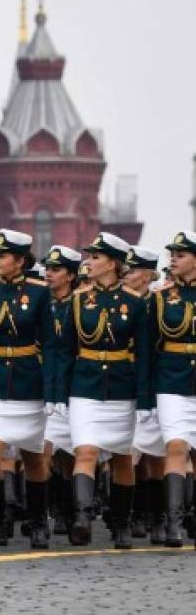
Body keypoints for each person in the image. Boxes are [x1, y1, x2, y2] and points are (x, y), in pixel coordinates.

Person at [55, 232, 150, 549]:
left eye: (96, 257)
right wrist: (59, 395)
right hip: (85, 386)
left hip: (122, 388)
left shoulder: (135, 304)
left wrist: (146, 400)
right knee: (85, 451)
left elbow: (147, 354)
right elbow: (66, 350)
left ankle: (121, 524)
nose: (88, 262)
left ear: (113, 263)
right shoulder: (78, 301)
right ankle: (82, 518)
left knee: (122, 458)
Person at [0, 229, 56, 549]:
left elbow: (51, 345)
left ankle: (38, 519)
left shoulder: (40, 293)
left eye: (2, 255)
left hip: (28, 383)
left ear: (20, 261)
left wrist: (52, 393)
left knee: (32, 458)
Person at [150, 230, 196, 548]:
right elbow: (150, 346)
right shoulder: (161, 297)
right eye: (172, 254)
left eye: (181, 254)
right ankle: (174, 520)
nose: (173, 259)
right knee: (176, 447)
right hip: (171, 381)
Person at [124, 245, 166, 543]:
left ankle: (157, 513)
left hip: (152, 382)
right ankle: (135, 513)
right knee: (129, 452)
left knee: (155, 454)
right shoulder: (120, 302)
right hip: (122, 381)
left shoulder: (157, 303)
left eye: (134, 270)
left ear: (149, 274)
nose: (128, 275)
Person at [41, 245, 82, 537]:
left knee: (69, 458)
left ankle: (70, 510)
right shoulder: (40, 303)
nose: (49, 274)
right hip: (44, 384)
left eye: (55, 270)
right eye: (47, 269)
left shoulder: (79, 304)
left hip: (75, 385)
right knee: (44, 452)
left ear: (70, 275)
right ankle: (50, 510)